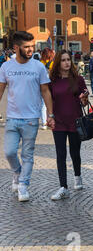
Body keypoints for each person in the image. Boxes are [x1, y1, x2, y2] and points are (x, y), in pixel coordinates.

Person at [0, 31, 55, 202]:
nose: (31, 49)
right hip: (12, 117)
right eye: (26, 47)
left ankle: (23, 184)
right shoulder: (6, 67)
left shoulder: (38, 67)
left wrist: (50, 114)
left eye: (32, 46)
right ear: (16, 48)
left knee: (28, 155)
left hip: (31, 118)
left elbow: (45, 91)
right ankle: (17, 172)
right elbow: (0, 89)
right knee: (9, 152)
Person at [48, 50, 89, 200]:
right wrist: (49, 116)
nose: (67, 62)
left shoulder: (78, 79)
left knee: (75, 152)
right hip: (58, 122)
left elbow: (84, 101)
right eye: (63, 60)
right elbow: (49, 100)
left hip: (75, 121)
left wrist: (84, 98)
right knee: (60, 155)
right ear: (58, 62)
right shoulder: (52, 80)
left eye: (68, 60)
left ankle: (77, 176)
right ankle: (63, 187)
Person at [39, 48, 55, 130]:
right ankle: (52, 121)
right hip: (52, 85)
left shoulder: (39, 63)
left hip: (42, 86)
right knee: (53, 103)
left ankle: (44, 123)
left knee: (43, 105)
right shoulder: (53, 63)